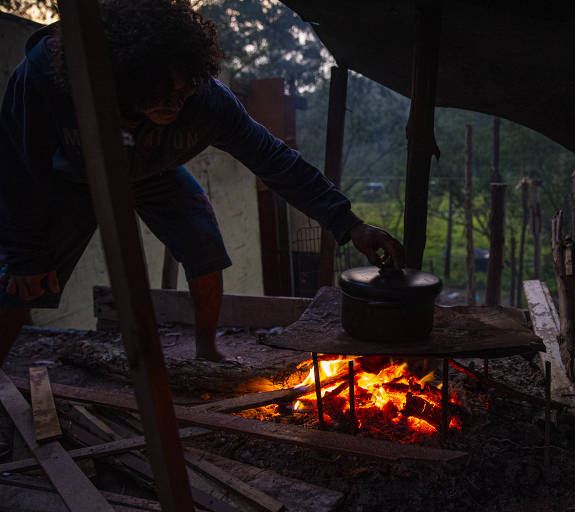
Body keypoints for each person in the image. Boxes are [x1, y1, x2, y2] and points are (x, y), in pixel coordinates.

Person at [0, 0, 404, 364]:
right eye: (162, 91)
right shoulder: (47, 79)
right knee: (23, 280)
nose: (175, 102)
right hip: (70, 179)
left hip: (151, 172)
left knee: (204, 244)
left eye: (184, 90)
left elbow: (276, 160)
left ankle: (207, 351)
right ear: (125, 73)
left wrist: (349, 224)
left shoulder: (210, 103)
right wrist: (25, 254)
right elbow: (17, 165)